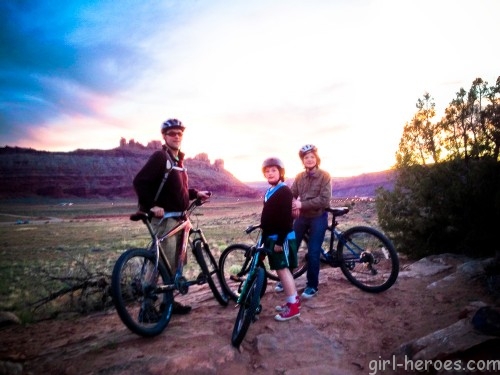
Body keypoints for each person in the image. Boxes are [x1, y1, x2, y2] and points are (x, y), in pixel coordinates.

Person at [133, 118, 211, 314]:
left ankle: (168, 303)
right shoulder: (160, 157)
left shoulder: (178, 161)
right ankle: (147, 307)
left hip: (179, 219)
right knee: (160, 263)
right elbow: (140, 182)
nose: (176, 136)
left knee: (177, 263)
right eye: (172, 133)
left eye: (179, 133)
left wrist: (194, 193)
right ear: (164, 136)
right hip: (165, 219)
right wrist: (152, 206)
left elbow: (177, 190)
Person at [260, 157, 301, 321]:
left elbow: (286, 219)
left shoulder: (284, 191)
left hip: (280, 238)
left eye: (273, 170)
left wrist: (279, 242)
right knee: (280, 270)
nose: (270, 173)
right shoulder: (270, 191)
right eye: (267, 171)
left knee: (283, 271)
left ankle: (293, 307)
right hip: (272, 237)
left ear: (280, 172)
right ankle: (292, 302)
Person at [291, 144, 332, 299]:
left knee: (313, 251)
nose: (309, 159)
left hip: (318, 216)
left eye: (311, 157)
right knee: (291, 246)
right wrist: (290, 203)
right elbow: (292, 193)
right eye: (306, 157)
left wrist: (301, 204)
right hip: (302, 217)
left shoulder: (325, 175)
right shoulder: (299, 177)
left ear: (316, 159)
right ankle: (287, 280)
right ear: (303, 160)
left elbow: (324, 200)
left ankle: (312, 286)